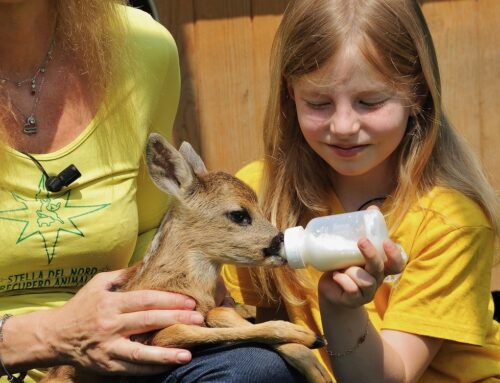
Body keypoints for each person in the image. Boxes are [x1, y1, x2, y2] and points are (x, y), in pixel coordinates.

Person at [0, 1, 306, 382]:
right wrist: (44, 336)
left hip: (129, 343)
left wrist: (192, 294)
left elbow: (151, 227)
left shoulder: (140, 46)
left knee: (254, 372)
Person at [222, 0, 500, 381]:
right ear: (291, 93)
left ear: (417, 92)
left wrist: (342, 310)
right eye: (318, 103)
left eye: (370, 102)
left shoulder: (452, 221)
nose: (344, 126)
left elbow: (388, 378)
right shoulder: (259, 197)